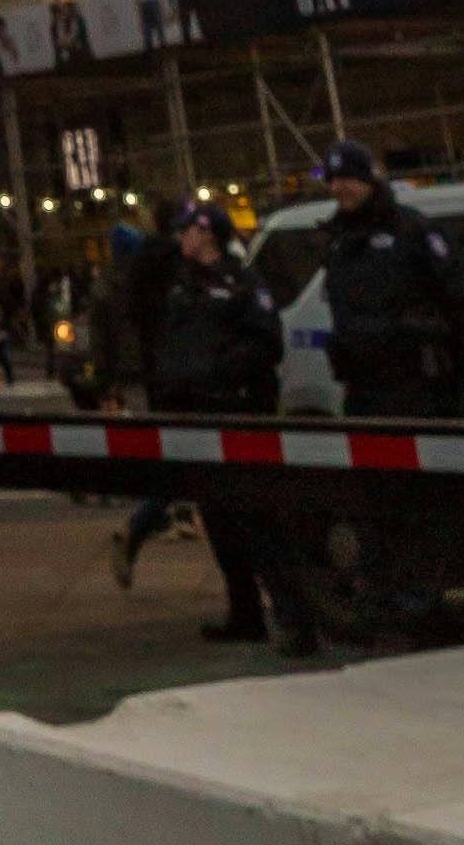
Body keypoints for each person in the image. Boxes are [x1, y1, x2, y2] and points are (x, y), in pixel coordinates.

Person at [114, 200, 314, 653]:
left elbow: (267, 344)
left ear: (207, 234)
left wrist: (221, 371)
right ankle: (245, 615)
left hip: (238, 415)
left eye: (189, 230)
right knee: (221, 525)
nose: (182, 237)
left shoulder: (241, 283)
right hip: (198, 417)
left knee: (259, 523)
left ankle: (295, 620)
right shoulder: (182, 285)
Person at [312, 137, 464, 647]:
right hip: (364, 388)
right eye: (334, 180)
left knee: (416, 503)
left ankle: (416, 609)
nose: (340, 188)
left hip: (412, 387)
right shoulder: (339, 239)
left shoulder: (411, 231)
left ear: (370, 179)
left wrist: (449, 373)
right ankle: (383, 602)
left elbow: (462, 304)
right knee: (373, 500)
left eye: (349, 178)